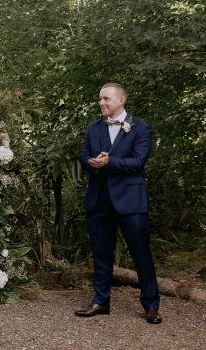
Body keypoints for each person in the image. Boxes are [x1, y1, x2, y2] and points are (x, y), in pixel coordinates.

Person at [75, 83, 161, 324]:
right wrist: (91, 162)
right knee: (101, 253)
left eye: (106, 99)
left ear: (121, 100)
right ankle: (101, 301)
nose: (101, 103)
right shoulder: (93, 128)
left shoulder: (140, 127)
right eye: (100, 99)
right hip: (99, 200)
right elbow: (83, 156)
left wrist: (109, 162)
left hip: (130, 201)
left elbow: (138, 162)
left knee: (141, 253)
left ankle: (151, 305)